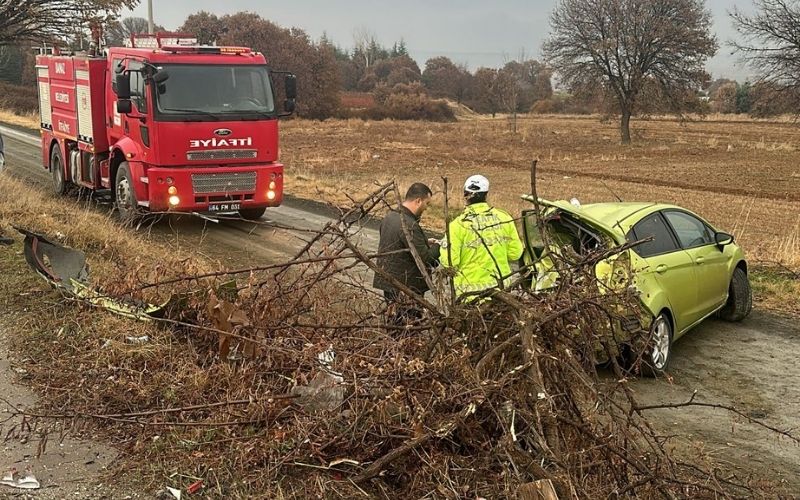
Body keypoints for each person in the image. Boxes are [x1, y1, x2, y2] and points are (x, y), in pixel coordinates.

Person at [440, 174, 523, 301]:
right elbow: (515, 254)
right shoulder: (504, 218)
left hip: (468, 295)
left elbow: (450, 263)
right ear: (486, 194)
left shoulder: (457, 225)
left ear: (465, 195)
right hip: (501, 292)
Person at [373, 183, 440, 324]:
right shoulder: (409, 225)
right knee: (407, 328)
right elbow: (426, 258)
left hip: (390, 283)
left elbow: (399, 243)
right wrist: (440, 246)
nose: (426, 208)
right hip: (407, 287)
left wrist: (423, 242)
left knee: (394, 325)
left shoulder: (390, 217)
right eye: (426, 203)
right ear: (418, 201)